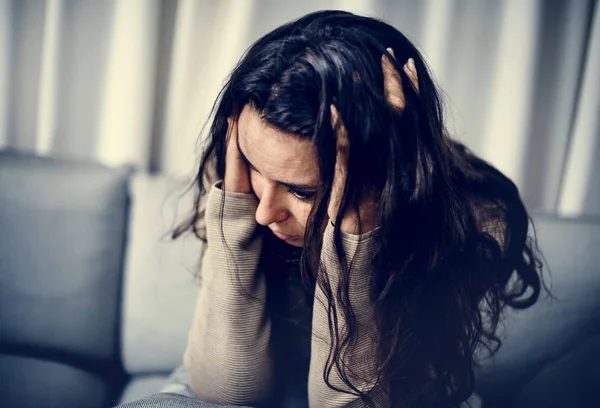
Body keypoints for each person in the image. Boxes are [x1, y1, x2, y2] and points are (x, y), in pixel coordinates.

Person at [170, 9, 543, 408]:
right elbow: (222, 394)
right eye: (254, 165)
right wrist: (232, 226)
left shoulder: (478, 218)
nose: (264, 213)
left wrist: (356, 233)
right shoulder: (240, 185)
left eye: (301, 191)